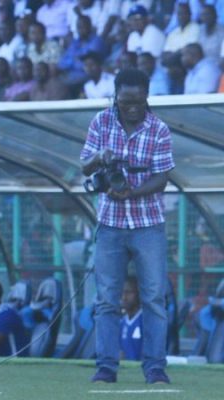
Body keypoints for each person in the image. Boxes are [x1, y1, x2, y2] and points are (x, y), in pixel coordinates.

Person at [81, 68, 172, 385]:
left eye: (137, 101)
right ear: (116, 97)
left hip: (149, 225)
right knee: (107, 299)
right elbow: (84, 165)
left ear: (146, 97)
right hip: (110, 224)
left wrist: (132, 192)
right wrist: (100, 156)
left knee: (154, 298)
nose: (131, 107)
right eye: (125, 101)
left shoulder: (159, 129)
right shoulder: (101, 122)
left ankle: (155, 368)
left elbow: (162, 179)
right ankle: (106, 367)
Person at [120, 276, 143, 361]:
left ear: (138, 294)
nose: (124, 297)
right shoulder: (121, 323)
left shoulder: (146, 321)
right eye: (122, 293)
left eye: (128, 292)